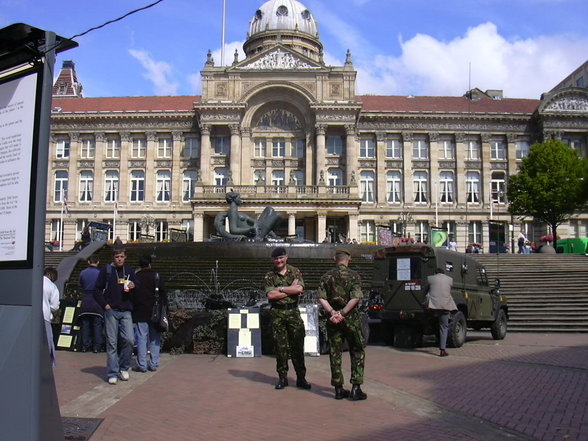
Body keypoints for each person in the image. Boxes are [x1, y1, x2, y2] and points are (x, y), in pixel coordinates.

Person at [317, 249, 367, 401]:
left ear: (334, 259)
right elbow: (356, 298)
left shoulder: (327, 276)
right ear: (349, 259)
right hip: (351, 319)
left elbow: (321, 298)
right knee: (357, 350)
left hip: (333, 321)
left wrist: (333, 312)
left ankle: (338, 388)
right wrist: (343, 313)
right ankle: (356, 388)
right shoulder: (354, 276)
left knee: (335, 352)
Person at [264, 247, 310, 390]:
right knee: (280, 348)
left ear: (286, 258)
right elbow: (271, 296)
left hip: (293, 313)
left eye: (281, 258)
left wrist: (281, 289)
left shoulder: (295, 271)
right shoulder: (269, 275)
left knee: (297, 346)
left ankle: (301, 378)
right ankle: (282, 378)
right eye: (276, 259)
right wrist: (290, 289)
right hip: (277, 314)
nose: (278, 261)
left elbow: (299, 289)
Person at [95, 248, 137, 385]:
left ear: (126, 257)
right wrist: (104, 305)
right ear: (113, 257)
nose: (119, 259)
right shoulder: (106, 271)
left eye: (122, 256)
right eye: (117, 256)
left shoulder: (129, 271)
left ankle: (123, 367)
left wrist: (133, 285)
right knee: (112, 343)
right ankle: (112, 372)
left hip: (126, 310)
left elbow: (138, 284)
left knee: (130, 340)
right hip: (111, 310)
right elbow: (97, 289)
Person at [131, 255, 167, 373]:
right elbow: (163, 294)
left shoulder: (136, 277)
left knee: (141, 338)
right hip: (155, 312)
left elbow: (132, 295)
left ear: (140, 265)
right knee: (155, 338)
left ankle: (142, 364)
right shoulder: (156, 276)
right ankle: (154, 363)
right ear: (150, 264)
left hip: (140, 311)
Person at [425, 268, 458, 357]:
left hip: (433, 307)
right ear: (443, 273)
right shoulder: (449, 279)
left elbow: (426, 290)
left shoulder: (430, 278)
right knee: (444, 327)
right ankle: (442, 350)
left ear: (435, 273)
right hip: (445, 306)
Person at [79, 255, 104, 353]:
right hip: (97, 300)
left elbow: (80, 285)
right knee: (97, 324)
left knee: (85, 324)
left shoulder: (82, 273)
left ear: (88, 262)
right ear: (98, 262)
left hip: (86, 299)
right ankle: (96, 347)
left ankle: (85, 346)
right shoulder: (100, 273)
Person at [43, 267, 60, 368]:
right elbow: (55, 306)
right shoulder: (52, 286)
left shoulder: (35, 280)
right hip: (45, 316)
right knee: (48, 341)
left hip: (31, 316)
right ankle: (49, 364)